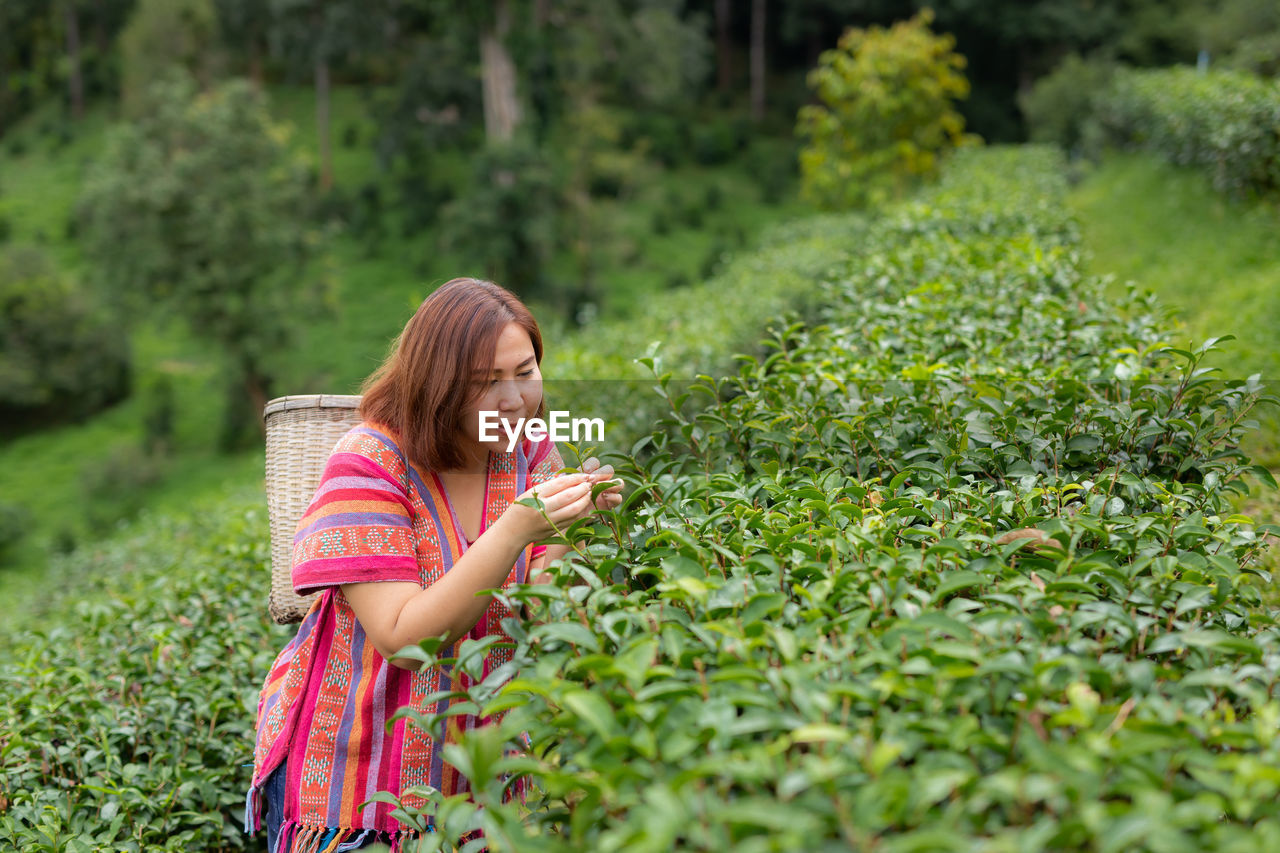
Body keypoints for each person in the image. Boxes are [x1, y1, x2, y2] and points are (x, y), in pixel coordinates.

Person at [244, 277, 623, 852]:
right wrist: (517, 527)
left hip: (485, 775)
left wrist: (567, 529)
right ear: (437, 388)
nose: (515, 400)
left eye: (525, 372)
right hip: (361, 784)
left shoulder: (531, 450)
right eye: (485, 384)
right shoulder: (369, 464)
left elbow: (542, 613)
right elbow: (403, 637)